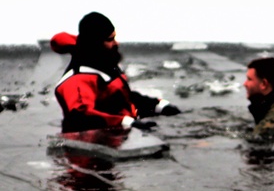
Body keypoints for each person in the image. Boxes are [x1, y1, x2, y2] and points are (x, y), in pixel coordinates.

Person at [50, 12, 180, 133]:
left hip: (125, 125)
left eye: (115, 37)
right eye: (110, 39)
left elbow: (121, 97)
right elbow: (80, 116)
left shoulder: (103, 63)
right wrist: (127, 123)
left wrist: (158, 106)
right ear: (95, 43)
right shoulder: (76, 80)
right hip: (95, 140)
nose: (116, 43)